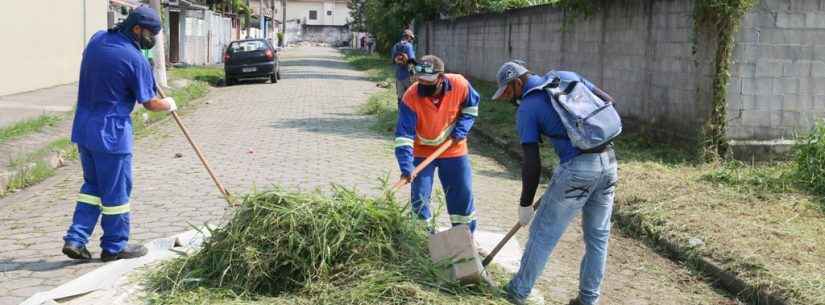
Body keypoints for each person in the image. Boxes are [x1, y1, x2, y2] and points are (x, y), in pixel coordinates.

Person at [492, 61, 618, 305]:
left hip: (577, 169)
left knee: (542, 233)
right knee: (598, 238)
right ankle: (588, 300)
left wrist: (525, 204)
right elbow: (609, 102)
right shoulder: (566, 76)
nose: (508, 98)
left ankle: (517, 292)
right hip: (609, 163)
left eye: (507, 92)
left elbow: (532, 163)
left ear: (518, 82)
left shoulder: (528, 108)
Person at [62, 5, 178, 262]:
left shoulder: (97, 39)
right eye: (150, 33)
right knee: (116, 193)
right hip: (111, 134)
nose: (151, 39)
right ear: (136, 28)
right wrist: (170, 103)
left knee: (92, 187)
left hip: (84, 129)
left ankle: (76, 239)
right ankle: (114, 247)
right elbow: (150, 102)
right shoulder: (135, 59)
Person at [394, 55, 480, 233]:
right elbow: (404, 136)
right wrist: (406, 166)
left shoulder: (460, 84)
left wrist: (461, 130)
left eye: (428, 82)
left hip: (453, 148)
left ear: (441, 78)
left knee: (462, 192)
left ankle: (464, 236)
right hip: (422, 151)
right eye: (420, 80)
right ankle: (424, 239)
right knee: (420, 196)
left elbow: (471, 108)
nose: (422, 85)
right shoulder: (410, 96)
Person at [391, 29, 416, 102]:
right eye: (411, 38)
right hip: (408, 75)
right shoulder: (408, 46)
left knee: (400, 97)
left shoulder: (395, 46)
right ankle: (408, 112)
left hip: (398, 75)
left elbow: (393, 60)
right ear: (408, 37)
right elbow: (412, 60)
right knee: (410, 97)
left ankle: (400, 112)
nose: (411, 40)